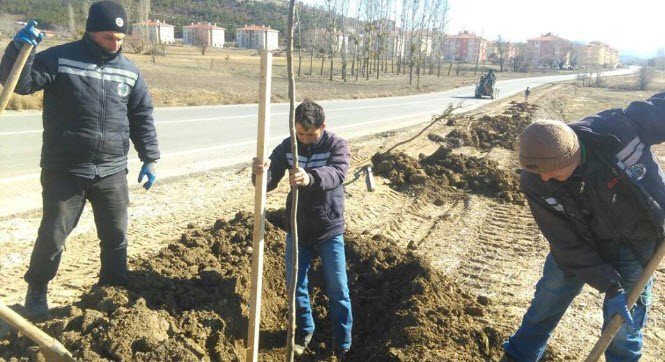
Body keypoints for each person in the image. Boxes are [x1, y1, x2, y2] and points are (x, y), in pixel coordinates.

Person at [0, 1, 160, 319]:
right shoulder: (60, 59)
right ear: (90, 32)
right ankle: (37, 292)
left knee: (115, 236)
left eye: (120, 38)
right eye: (107, 37)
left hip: (112, 169)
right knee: (53, 234)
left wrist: (150, 157)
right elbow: (20, 83)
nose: (115, 44)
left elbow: (141, 115)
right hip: (65, 169)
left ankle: (112, 291)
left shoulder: (129, 71)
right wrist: (19, 49)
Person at [503, 92, 665, 361]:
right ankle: (519, 356)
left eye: (551, 170)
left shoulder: (618, 131)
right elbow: (564, 241)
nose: (544, 177)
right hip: (581, 240)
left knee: (623, 326)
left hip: (639, 236)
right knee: (547, 301)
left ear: (573, 154)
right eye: (536, 171)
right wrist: (611, 287)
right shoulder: (534, 182)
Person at [252, 100, 352, 356]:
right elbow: (269, 181)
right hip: (297, 227)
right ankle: (304, 330)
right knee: (295, 285)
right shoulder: (288, 146)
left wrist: (310, 177)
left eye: (311, 134)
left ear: (323, 127)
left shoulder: (335, 145)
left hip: (329, 227)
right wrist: (260, 174)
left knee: (338, 289)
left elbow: (337, 173)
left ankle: (342, 344)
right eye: (300, 134)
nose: (305, 139)